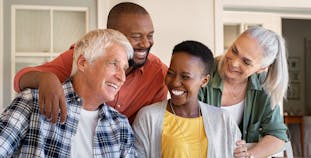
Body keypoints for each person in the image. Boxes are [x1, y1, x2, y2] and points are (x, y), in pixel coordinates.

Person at [13, 2, 167, 123]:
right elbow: (20, 79)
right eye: (137, 36)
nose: (146, 44)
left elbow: (150, 124)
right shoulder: (85, 56)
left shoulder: (158, 73)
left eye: (150, 35)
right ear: (113, 35)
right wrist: (45, 78)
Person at [0, 29, 136, 157]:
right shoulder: (33, 101)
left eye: (124, 69)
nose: (122, 77)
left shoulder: (120, 126)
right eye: (113, 64)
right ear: (83, 63)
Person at [132, 41, 241, 158]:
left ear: (204, 81)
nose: (174, 82)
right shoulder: (149, 117)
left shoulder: (223, 119)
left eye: (185, 77)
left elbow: (238, 153)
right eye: (171, 73)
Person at [198, 27, 289, 157]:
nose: (234, 63)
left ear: (261, 68)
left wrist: (249, 155)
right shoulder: (203, 71)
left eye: (246, 62)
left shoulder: (264, 87)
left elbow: (277, 135)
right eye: (234, 50)